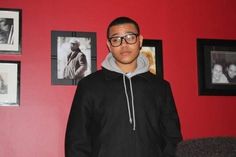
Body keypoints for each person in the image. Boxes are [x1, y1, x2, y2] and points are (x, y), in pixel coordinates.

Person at [65, 16, 182, 157]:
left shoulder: (161, 87)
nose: (124, 44)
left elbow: (173, 139)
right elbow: (76, 142)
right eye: (116, 39)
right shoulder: (89, 86)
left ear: (140, 40)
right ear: (109, 45)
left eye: (130, 37)